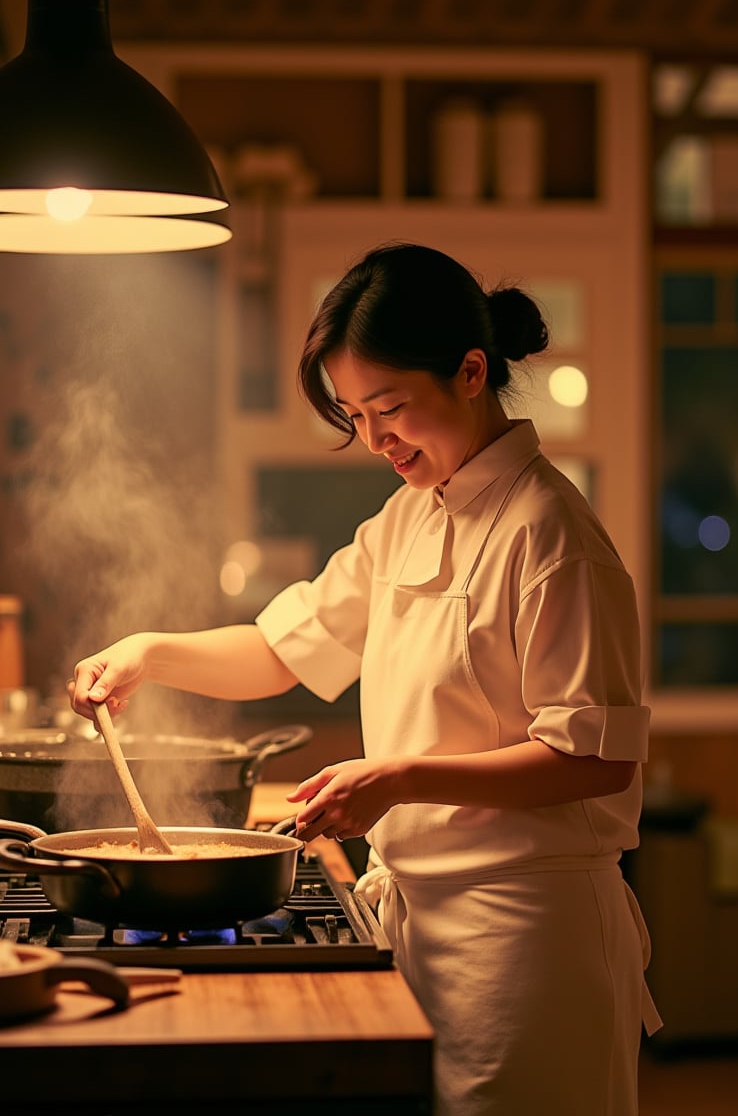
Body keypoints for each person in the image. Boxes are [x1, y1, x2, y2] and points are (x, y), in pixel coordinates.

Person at [69, 241, 661, 1116]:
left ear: (469, 373)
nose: (376, 439)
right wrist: (150, 652)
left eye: (391, 408)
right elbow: (283, 650)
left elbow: (592, 760)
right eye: (354, 413)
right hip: (419, 925)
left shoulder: (552, 535)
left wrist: (398, 780)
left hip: (523, 944)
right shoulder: (410, 515)